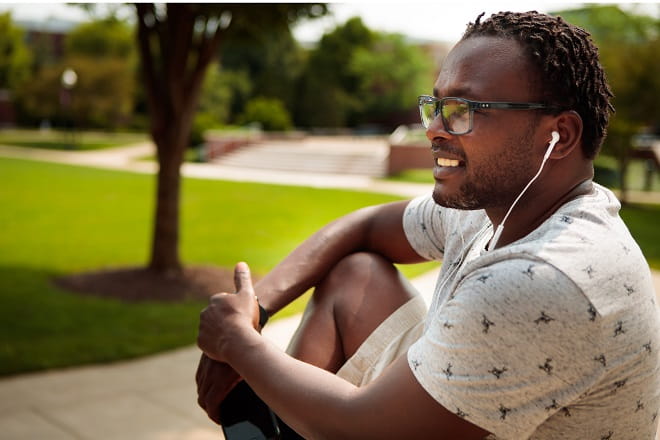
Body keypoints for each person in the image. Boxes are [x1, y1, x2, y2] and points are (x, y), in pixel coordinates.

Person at [197, 11, 660, 439]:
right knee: (356, 272)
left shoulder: (543, 278)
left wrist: (238, 345)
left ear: (559, 136)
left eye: (464, 110)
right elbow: (367, 225)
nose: (435, 128)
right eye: (435, 105)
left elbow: (364, 431)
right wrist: (257, 310)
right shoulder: (498, 201)